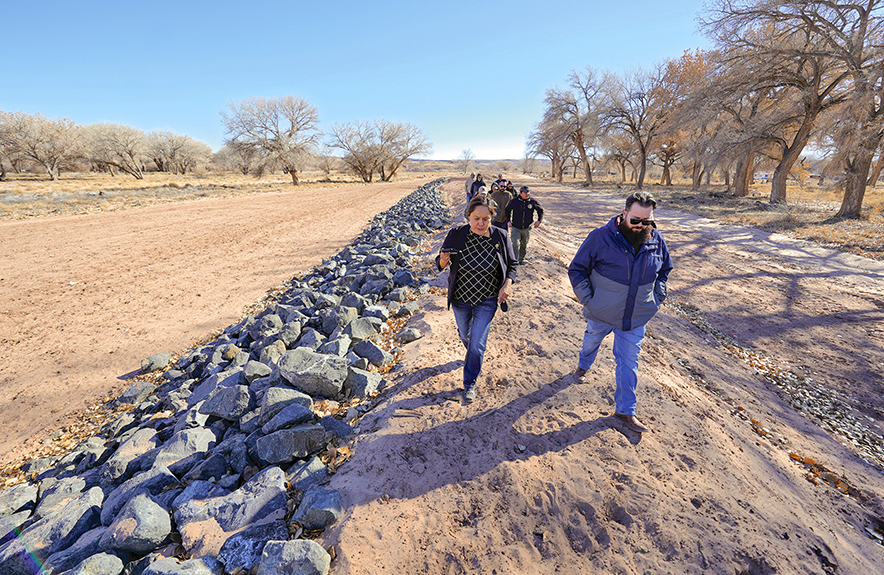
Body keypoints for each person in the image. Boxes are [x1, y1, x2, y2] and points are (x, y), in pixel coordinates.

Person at [568, 191, 673, 433]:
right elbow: (577, 270)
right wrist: (591, 301)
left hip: (636, 318)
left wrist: (657, 298)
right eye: (635, 220)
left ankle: (626, 411)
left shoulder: (656, 240)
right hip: (601, 313)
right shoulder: (600, 238)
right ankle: (583, 366)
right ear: (624, 214)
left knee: (628, 362)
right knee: (591, 342)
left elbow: (664, 271)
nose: (640, 226)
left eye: (646, 221)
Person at [436, 195, 517, 403]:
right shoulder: (456, 234)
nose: (481, 223)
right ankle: (471, 352)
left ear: (492, 217)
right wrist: (443, 260)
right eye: (476, 218)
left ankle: (469, 383)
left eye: (486, 219)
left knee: (477, 344)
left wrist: (507, 284)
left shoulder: (500, 237)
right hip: (461, 298)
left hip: (487, 299)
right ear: (468, 217)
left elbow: (512, 265)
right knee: (466, 335)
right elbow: (440, 263)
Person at [505, 186, 544, 264]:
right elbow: (507, 210)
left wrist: (539, 221)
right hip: (516, 227)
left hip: (527, 227)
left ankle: (521, 259)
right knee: (515, 244)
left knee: (524, 244)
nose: (527, 194)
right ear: (520, 193)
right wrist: (508, 220)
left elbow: (540, 211)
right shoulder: (514, 201)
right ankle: (514, 260)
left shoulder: (532, 201)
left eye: (528, 192)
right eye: (525, 193)